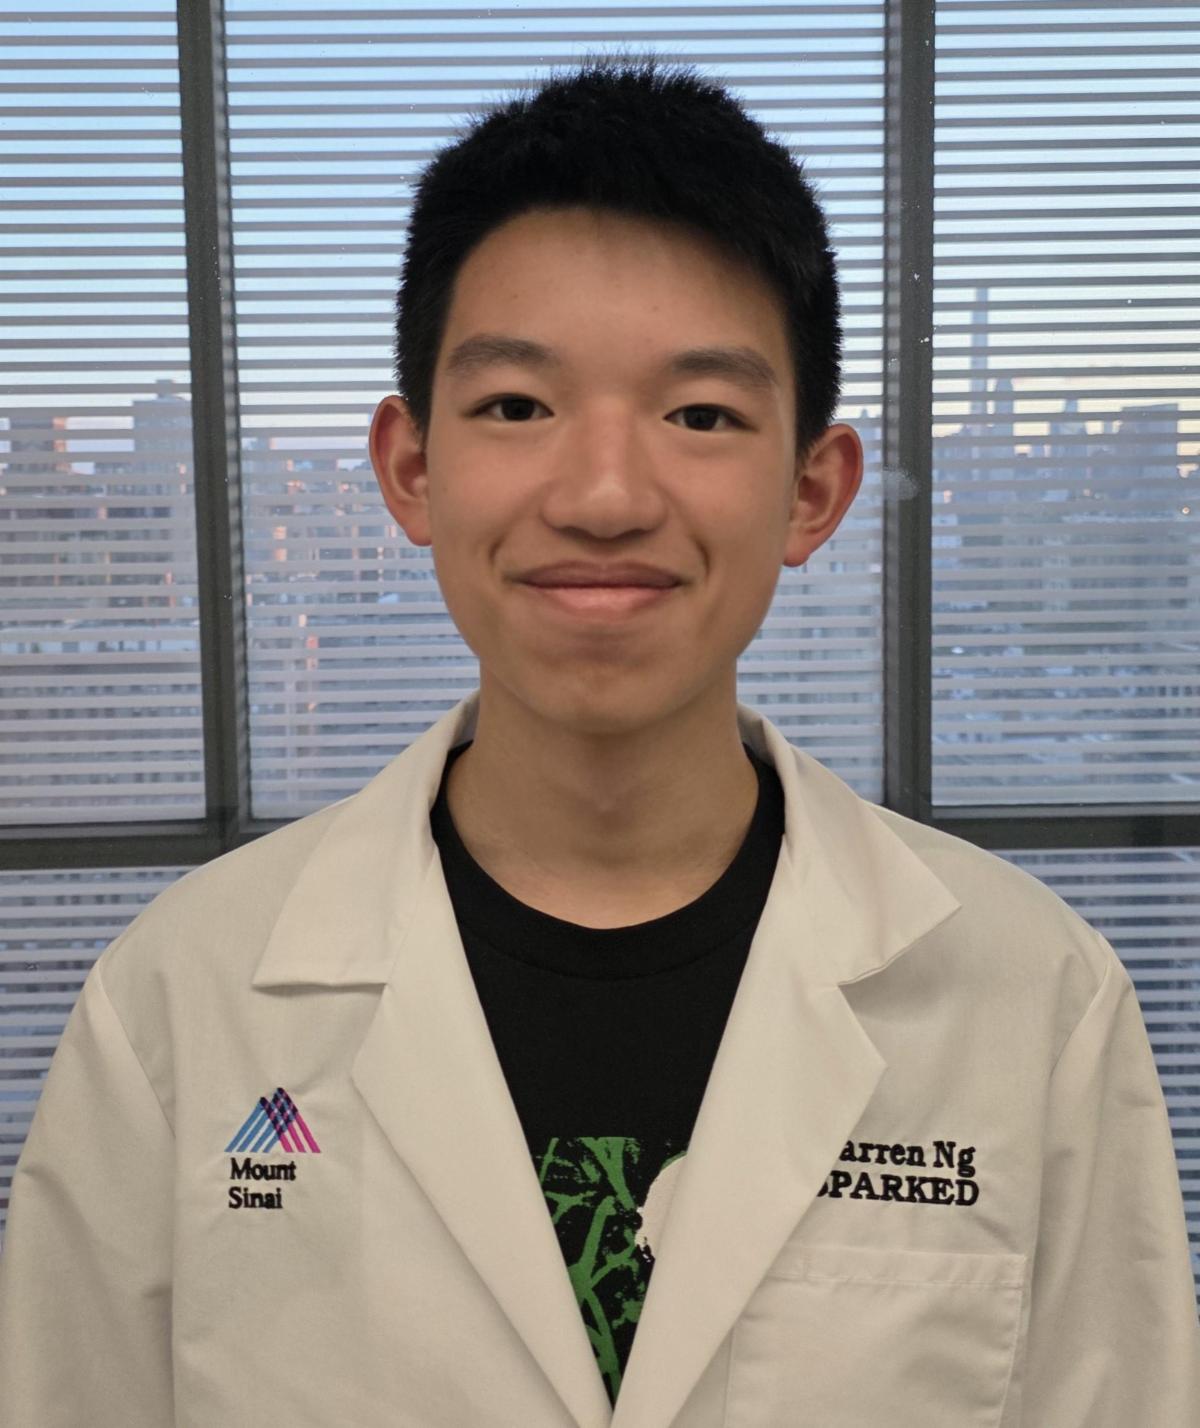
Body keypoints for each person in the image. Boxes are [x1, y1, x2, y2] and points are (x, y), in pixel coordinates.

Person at [1, 50, 1197, 1428]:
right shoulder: (178, 1005)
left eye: (701, 415)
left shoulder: (1035, 1003)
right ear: (412, 470)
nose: (607, 495)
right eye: (518, 406)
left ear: (812, 491)